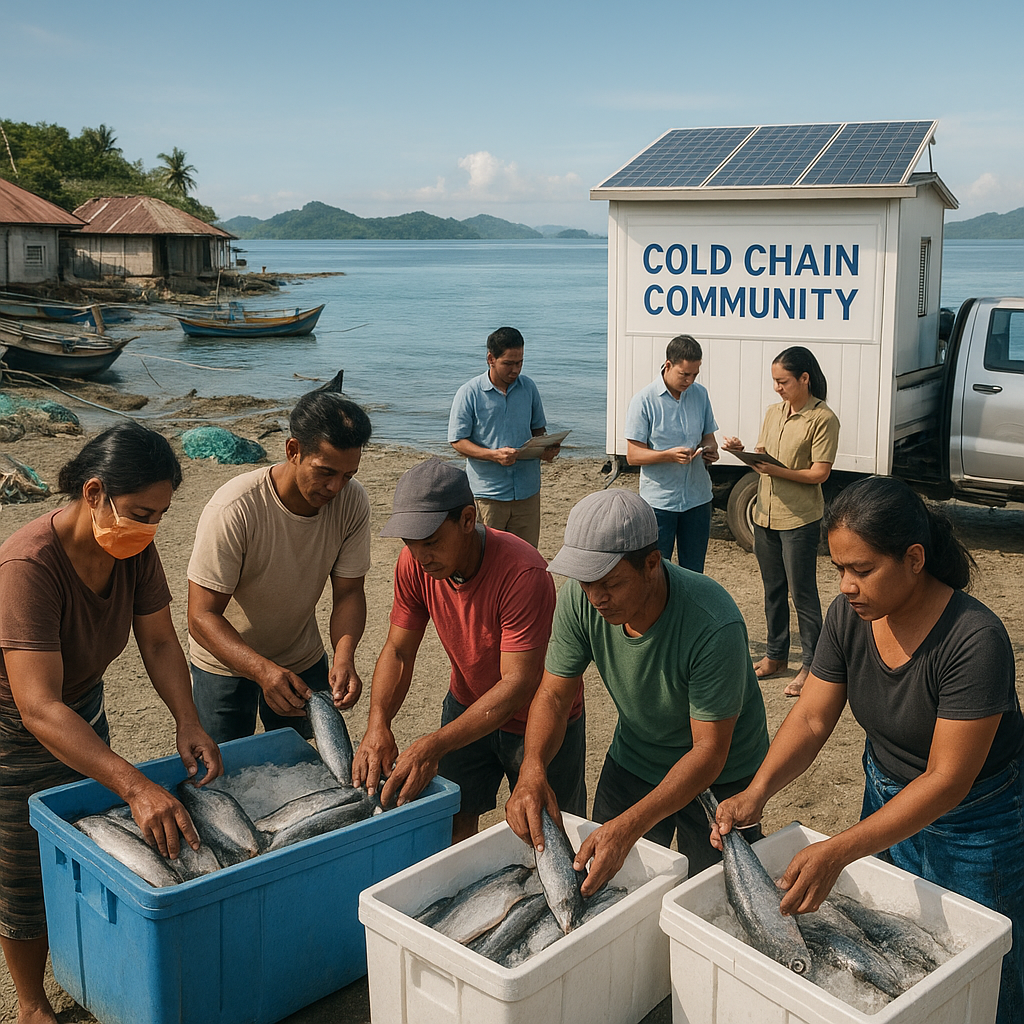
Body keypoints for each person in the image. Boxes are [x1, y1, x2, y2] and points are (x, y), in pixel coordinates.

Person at [711, 476, 1024, 1024]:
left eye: (862, 570)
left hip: (978, 820)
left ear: (914, 559)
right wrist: (756, 791)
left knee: (984, 960)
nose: (847, 586)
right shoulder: (848, 618)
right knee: (896, 946)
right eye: (838, 569)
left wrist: (839, 849)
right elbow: (811, 717)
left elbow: (947, 779)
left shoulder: (974, 638)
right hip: (885, 794)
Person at [0, 423, 223, 1024]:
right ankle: (30, 1002)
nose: (150, 528)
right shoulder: (28, 565)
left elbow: (157, 641)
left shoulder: (132, 549)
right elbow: (38, 706)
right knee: (22, 865)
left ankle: (86, 961)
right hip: (13, 729)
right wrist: (134, 784)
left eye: (160, 515)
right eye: (141, 512)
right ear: (94, 492)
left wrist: (188, 720)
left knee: (89, 842)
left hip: (84, 707)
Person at [506, 488, 769, 892]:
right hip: (635, 759)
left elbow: (709, 752)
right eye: (585, 582)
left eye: (610, 583)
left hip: (724, 777)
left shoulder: (712, 622)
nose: (596, 598)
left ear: (651, 564)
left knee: (715, 898)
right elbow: (554, 695)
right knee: (606, 885)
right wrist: (532, 768)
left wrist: (630, 826)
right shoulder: (581, 600)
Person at [352, 458, 585, 843]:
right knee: (454, 822)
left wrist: (433, 743)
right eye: (410, 544)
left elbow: (518, 684)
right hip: (467, 703)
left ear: (467, 518)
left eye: (431, 542)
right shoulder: (414, 564)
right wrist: (378, 723)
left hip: (538, 717)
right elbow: (398, 651)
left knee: (546, 833)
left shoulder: (523, 572)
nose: (421, 556)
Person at [187, 392, 372, 742]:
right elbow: (201, 616)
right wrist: (261, 670)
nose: (335, 487)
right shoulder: (234, 508)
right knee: (225, 768)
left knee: (300, 761)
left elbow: (349, 592)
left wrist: (344, 656)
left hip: (300, 655)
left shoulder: (352, 500)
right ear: (293, 450)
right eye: (325, 472)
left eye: (348, 475)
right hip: (224, 661)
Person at [722, 346, 839, 696]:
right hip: (765, 515)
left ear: (804, 378)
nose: (777, 388)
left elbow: (819, 473)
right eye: (774, 381)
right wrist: (742, 451)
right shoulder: (774, 413)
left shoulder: (823, 418)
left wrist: (777, 470)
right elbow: (763, 454)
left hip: (799, 518)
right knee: (772, 589)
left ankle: (812, 666)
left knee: (802, 593)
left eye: (783, 381)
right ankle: (776, 656)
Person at [448, 326, 558, 548]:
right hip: (489, 494)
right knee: (486, 559)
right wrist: (492, 455)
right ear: (490, 358)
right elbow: (457, 441)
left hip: (527, 492)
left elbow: (539, 431)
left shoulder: (529, 388)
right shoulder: (469, 393)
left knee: (526, 558)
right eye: (509, 363)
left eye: (520, 362)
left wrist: (547, 448)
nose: (515, 370)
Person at [625, 334, 720, 573]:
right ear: (668, 365)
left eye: (695, 374)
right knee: (656, 571)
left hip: (698, 499)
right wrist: (668, 455)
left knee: (694, 572)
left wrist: (711, 450)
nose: (689, 380)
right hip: (660, 503)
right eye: (684, 374)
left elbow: (709, 436)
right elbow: (633, 456)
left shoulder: (700, 394)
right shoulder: (643, 400)